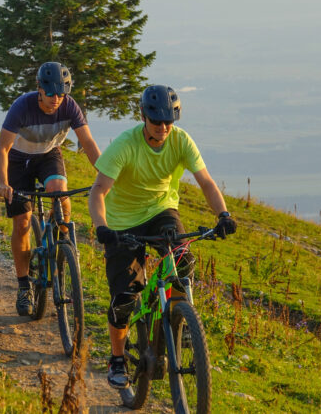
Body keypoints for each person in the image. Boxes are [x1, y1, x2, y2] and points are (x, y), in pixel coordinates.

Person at [87, 84, 238, 389]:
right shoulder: (125, 145)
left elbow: (206, 182)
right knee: (124, 297)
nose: (164, 127)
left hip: (161, 211)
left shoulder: (180, 140)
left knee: (183, 260)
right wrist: (102, 227)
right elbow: (98, 190)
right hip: (122, 221)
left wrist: (223, 214)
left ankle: (183, 323)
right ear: (143, 116)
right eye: (157, 121)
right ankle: (117, 358)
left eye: (169, 121)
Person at [0, 62, 101, 316]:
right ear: (39, 89)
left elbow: (87, 142)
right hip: (18, 159)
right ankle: (24, 286)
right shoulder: (22, 107)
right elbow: (2, 149)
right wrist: (2, 182)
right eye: (51, 93)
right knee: (22, 221)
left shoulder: (69, 106)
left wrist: (104, 174)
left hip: (48, 155)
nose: (56, 99)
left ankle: (62, 245)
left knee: (60, 193)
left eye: (61, 94)